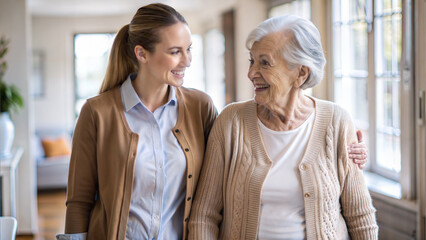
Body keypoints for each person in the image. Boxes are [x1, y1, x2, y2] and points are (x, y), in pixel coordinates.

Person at [188, 15, 378, 240]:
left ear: (301, 73)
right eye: (252, 61)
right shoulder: (231, 122)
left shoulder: (337, 122)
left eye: (265, 63)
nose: (251, 73)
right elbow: (204, 216)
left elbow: (360, 217)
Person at [56, 3, 217, 240]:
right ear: (142, 54)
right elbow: (79, 201)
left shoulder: (200, 107)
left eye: (188, 49)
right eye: (175, 52)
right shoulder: (96, 112)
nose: (187, 61)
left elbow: (215, 191)